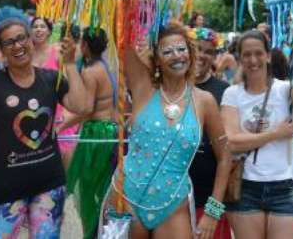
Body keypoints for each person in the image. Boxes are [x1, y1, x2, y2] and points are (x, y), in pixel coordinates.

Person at [0, 6, 92, 238]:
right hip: (5, 189)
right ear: (2, 49)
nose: (17, 46)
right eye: (9, 42)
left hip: (49, 186)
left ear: (30, 40)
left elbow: (82, 106)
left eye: (21, 38)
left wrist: (70, 65)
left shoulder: (50, 78)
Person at [120, 22, 230, 238]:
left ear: (190, 54)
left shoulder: (204, 101)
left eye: (182, 49)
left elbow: (225, 158)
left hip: (172, 205)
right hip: (126, 198)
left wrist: (213, 211)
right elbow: (123, 33)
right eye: (167, 51)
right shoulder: (143, 87)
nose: (176, 56)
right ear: (157, 60)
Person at [221, 29, 293, 239]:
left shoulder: (284, 90)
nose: (253, 60)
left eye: (259, 53)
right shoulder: (232, 94)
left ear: (268, 55)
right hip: (245, 187)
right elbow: (232, 141)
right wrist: (274, 133)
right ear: (239, 58)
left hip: (287, 185)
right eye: (247, 55)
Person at [65, 28, 119, 239]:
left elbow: (86, 109)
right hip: (109, 132)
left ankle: (91, 234)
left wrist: (60, 126)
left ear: (84, 46)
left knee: (88, 190)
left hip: (96, 134)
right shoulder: (107, 68)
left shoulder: (89, 71)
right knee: (103, 189)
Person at [188, 27, 233, 239]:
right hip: (173, 200)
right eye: (197, 49)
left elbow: (226, 156)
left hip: (207, 199)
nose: (202, 55)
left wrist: (213, 211)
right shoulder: (170, 88)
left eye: (208, 51)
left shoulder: (224, 91)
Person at [31, 17, 77, 171]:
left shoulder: (57, 52)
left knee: (63, 150)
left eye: (42, 27)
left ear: (50, 31)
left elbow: (69, 82)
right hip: (35, 110)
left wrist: (65, 111)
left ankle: (64, 187)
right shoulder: (27, 54)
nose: (38, 30)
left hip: (59, 108)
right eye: (35, 27)